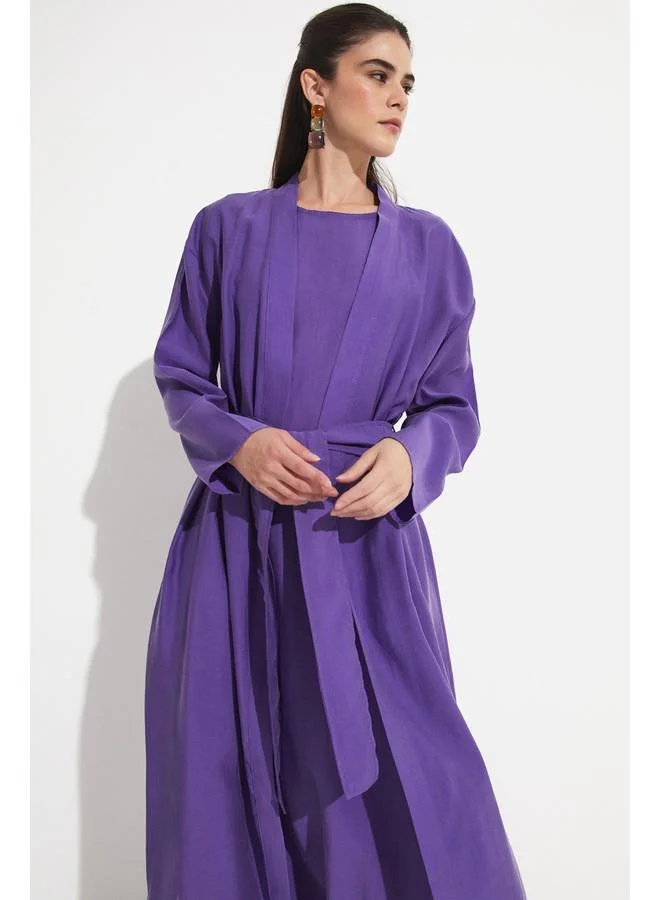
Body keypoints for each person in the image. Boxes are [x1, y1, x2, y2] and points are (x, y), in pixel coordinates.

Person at [145, 4, 528, 898]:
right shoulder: (227, 229)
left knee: (414, 777)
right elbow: (182, 377)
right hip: (239, 546)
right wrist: (240, 442)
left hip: (367, 546)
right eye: (378, 75)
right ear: (316, 87)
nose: (398, 99)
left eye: (408, 83)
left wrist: (410, 458)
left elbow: (453, 405)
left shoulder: (430, 248)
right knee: (234, 771)